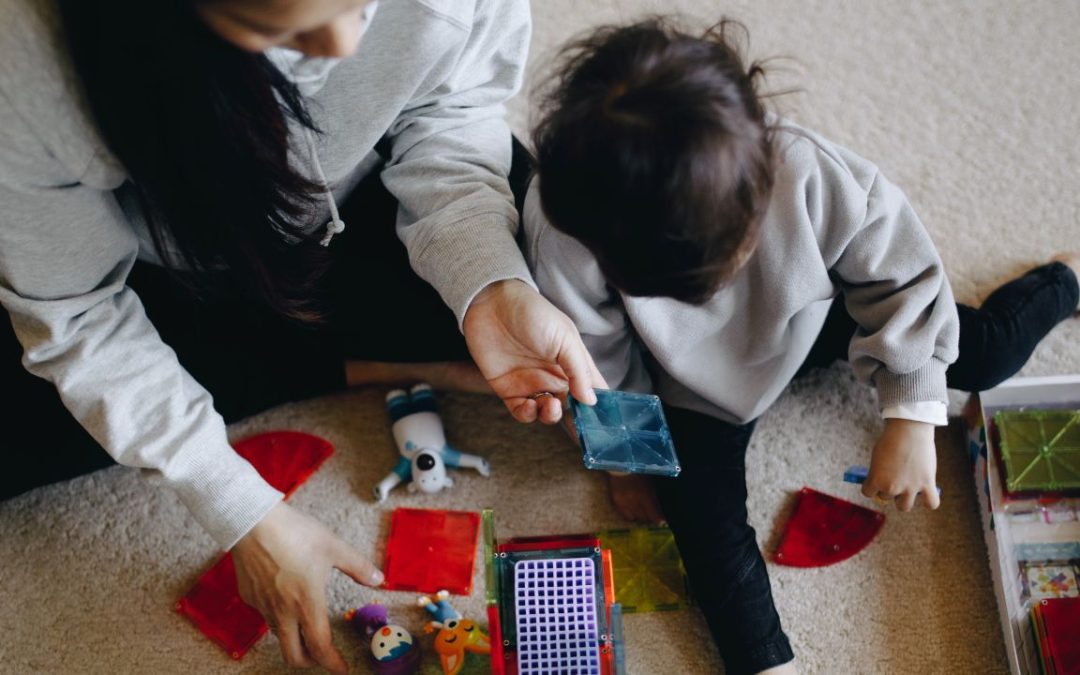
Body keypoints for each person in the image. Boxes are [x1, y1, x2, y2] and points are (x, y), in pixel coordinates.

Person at [0, 0, 604, 672]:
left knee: (572, 263)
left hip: (353, 208)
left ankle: (324, 356)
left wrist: (490, 284)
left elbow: (452, 111)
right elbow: (77, 315)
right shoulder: (27, 56)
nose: (346, 49)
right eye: (277, 32)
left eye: (361, 6)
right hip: (167, 263)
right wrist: (243, 513)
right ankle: (338, 358)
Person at [521, 18, 1080, 675]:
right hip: (689, 385)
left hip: (816, 314)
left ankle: (1062, 279)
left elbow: (903, 281)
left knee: (984, 352)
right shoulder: (569, 228)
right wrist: (624, 459)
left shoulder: (811, 172)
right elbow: (595, 361)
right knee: (701, 523)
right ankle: (765, 661)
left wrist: (912, 412)